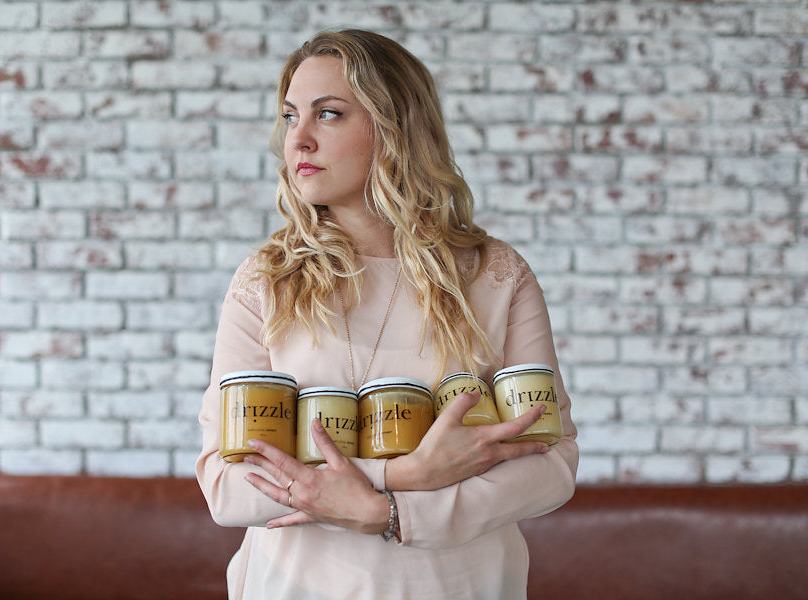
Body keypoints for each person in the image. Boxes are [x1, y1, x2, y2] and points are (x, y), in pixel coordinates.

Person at [196, 29, 578, 599]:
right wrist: (399, 476)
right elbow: (226, 487)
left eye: (327, 115)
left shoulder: (495, 274)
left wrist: (391, 514)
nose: (297, 139)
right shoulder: (266, 281)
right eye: (289, 115)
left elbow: (551, 464)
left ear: (396, 128)